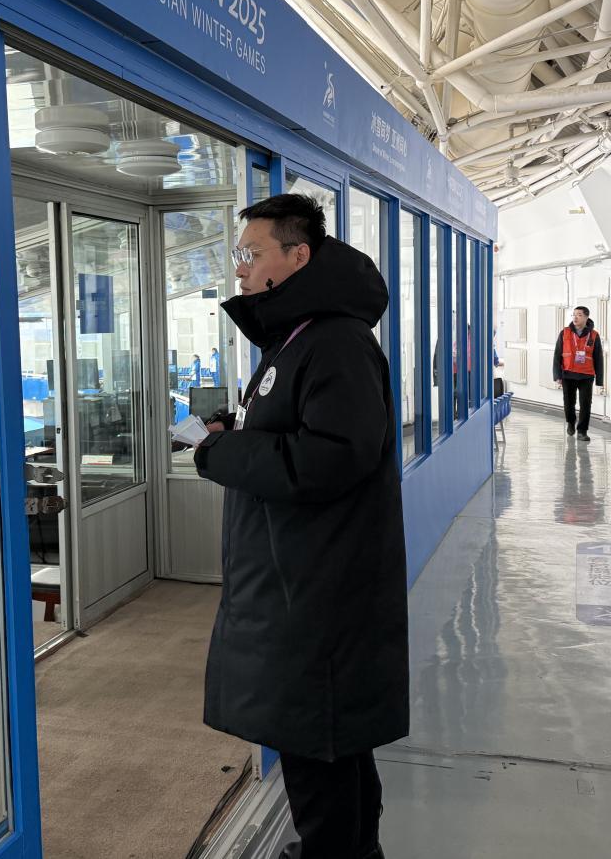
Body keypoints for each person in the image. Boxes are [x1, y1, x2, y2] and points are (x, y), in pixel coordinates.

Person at [193, 193, 408, 859]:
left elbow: (332, 457)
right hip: (299, 580)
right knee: (329, 746)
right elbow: (296, 432)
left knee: (319, 748)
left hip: (315, 590)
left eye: (251, 253)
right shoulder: (299, 337)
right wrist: (235, 431)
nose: (240, 267)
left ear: (298, 256)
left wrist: (220, 452)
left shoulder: (333, 343)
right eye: (238, 253)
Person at [552, 305, 604, 441]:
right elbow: (557, 355)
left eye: (579, 315)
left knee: (586, 404)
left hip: (586, 375)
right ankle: (570, 422)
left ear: (586, 317)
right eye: (574, 314)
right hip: (568, 373)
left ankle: (582, 431)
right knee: (569, 403)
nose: (575, 317)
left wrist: (600, 380)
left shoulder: (594, 335)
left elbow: (598, 358)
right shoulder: (565, 333)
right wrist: (557, 375)